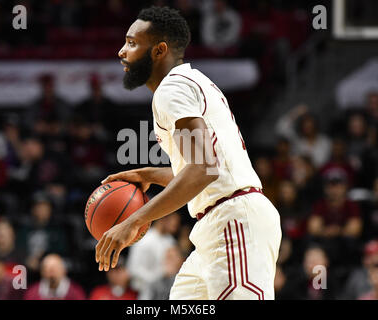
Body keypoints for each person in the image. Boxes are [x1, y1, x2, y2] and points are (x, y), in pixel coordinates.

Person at [95, 6, 282, 300]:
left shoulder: (172, 89)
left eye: (131, 43)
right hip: (216, 224)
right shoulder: (191, 83)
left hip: (233, 221)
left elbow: (203, 170)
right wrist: (149, 174)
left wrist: (133, 220)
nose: (121, 51)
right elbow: (208, 166)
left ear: (159, 50)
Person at [126, 212, 180, 300]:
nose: (176, 226)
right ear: (164, 219)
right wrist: (161, 273)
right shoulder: (145, 240)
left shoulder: (171, 241)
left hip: (168, 293)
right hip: (147, 294)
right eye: (174, 221)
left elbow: (174, 269)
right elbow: (133, 269)